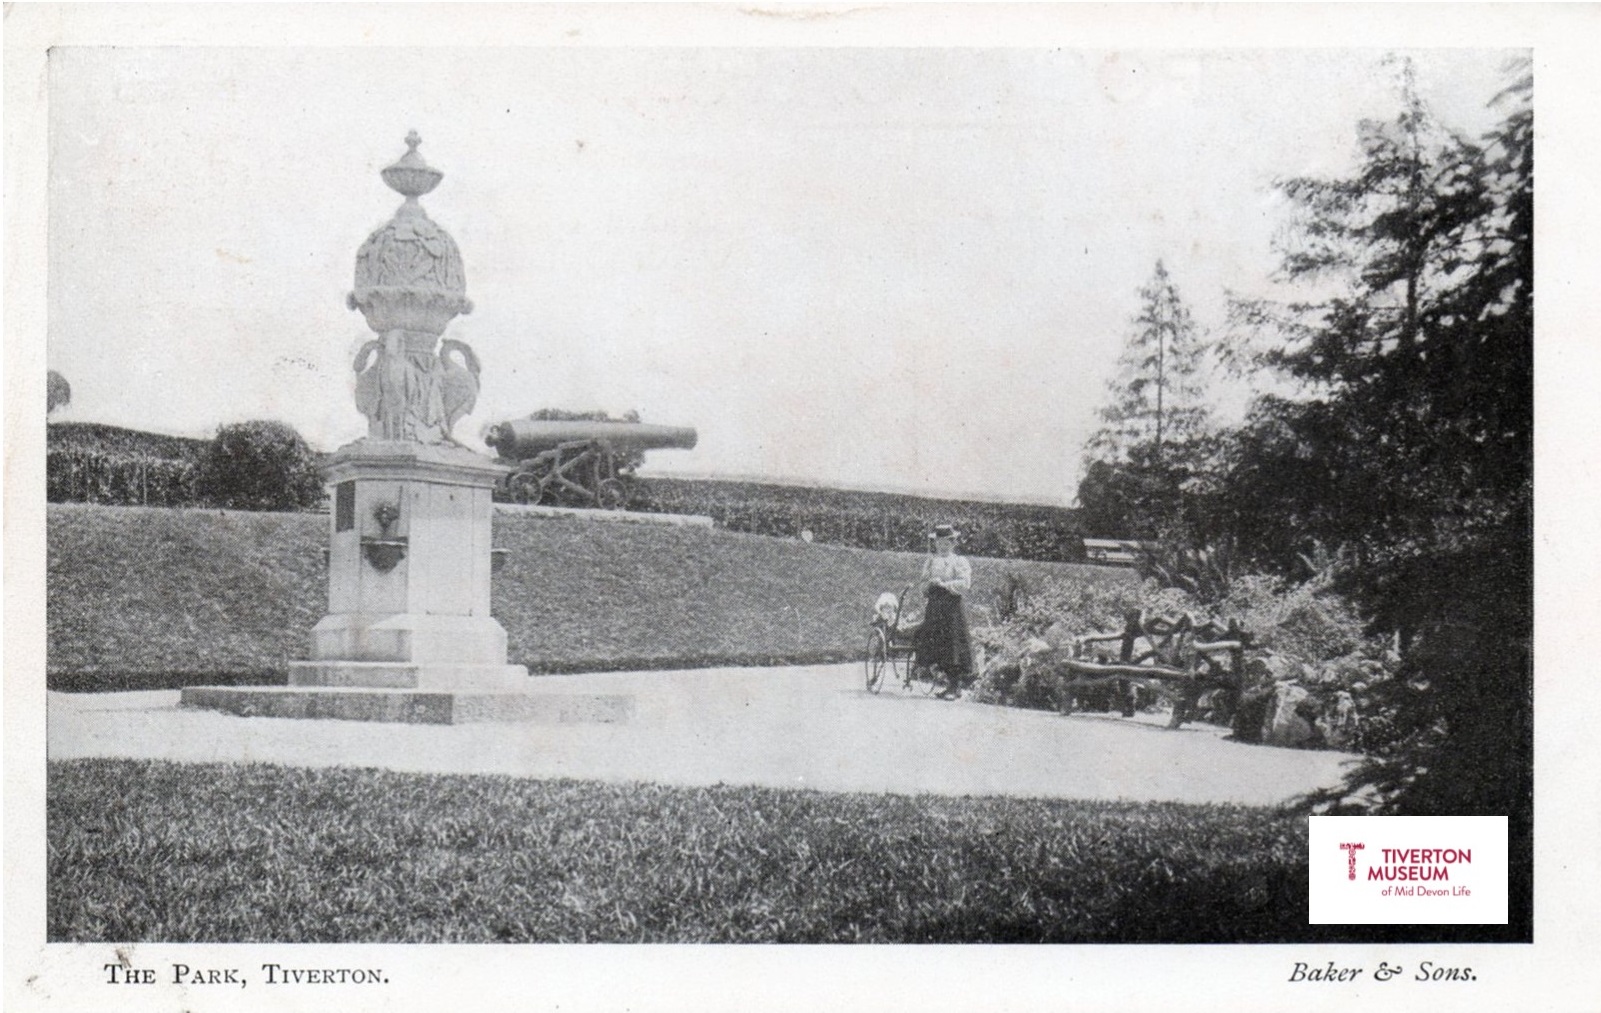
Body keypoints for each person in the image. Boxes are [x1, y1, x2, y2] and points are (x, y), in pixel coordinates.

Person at [914, 524, 973, 699]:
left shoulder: (959, 561)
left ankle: (955, 687)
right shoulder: (931, 561)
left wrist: (945, 584)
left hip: (951, 607)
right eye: (939, 542)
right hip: (935, 606)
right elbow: (922, 586)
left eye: (947, 542)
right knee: (938, 644)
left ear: (953, 543)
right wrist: (930, 584)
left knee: (952, 644)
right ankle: (949, 685)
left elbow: (964, 584)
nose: (942, 546)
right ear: (935, 543)